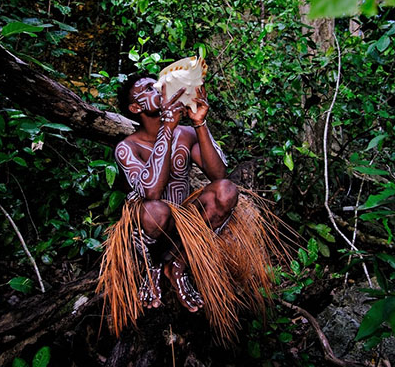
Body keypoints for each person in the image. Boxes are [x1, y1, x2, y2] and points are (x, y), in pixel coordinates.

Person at [97, 73, 292, 342]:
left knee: (226, 191)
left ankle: (178, 263)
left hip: (186, 227)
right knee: (156, 210)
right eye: (149, 89)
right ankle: (150, 268)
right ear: (135, 108)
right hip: (150, 229)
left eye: (159, 84)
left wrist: (199, 123)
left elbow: (218, 174)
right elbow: (152, 192)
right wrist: (166, 128)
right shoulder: (127, 148)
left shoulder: (185, 134)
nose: (160, 88)